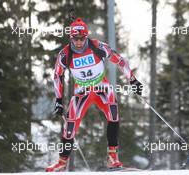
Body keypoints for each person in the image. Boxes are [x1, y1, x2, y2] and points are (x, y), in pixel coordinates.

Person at [46, 17, 143, 172]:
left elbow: (119, 60)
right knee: (70, 125)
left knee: (113, 114)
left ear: (86, 36)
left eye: (81, 38)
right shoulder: (65, 54)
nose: (78, 42)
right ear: (70, 37)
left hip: (101, 86)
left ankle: (113, 157)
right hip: (81, 90)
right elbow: (58, 75)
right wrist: (58, 100)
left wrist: (133, 80)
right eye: (75, 39)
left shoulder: (98, 46)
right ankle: (62, 162)